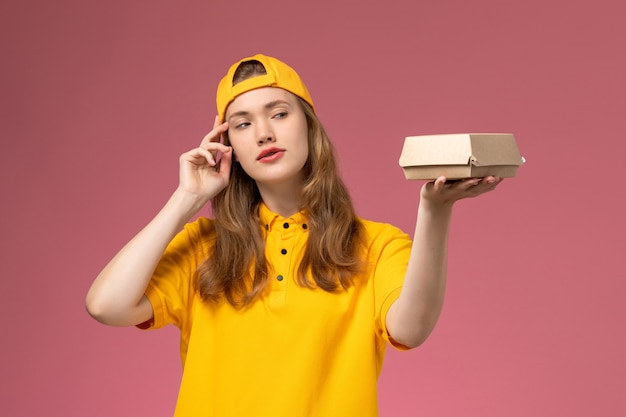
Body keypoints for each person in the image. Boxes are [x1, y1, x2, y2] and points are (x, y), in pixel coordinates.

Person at [85, 54, 502, 417]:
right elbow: (106, 305)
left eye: (279, 113)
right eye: (242, 124)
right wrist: (186, 198)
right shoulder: (203, 248)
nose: (263, 132)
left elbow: (410, 329)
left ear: (309, 126)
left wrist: (434, 210)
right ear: (226, 145)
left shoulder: (376, 246)